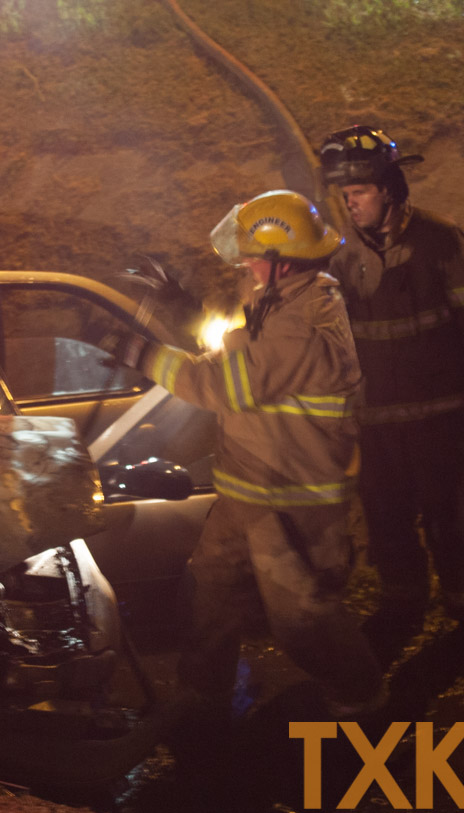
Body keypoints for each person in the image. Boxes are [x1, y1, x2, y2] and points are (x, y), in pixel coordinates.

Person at [112, 190, 385, 723]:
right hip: (247, 491)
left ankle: (361, 704)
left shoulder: (304, 324)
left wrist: (141, 354)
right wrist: (183, 309)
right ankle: (201, 699)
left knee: (303, 620)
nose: (244, 265)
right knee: (208, 597)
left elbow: (224, 386)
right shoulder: (279, 300)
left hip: (293, 502)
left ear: (282, 259)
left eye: (252, 256)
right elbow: (233, 355)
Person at [317, 125, 464, 660]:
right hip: (375, 423)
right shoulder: (339, 254)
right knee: (386, 520)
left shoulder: (438, 239)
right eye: (345, 194)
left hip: (440, 416)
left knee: (452, 517)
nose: (350, 203)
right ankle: (402, 605)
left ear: (390, 189)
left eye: (359, 192)